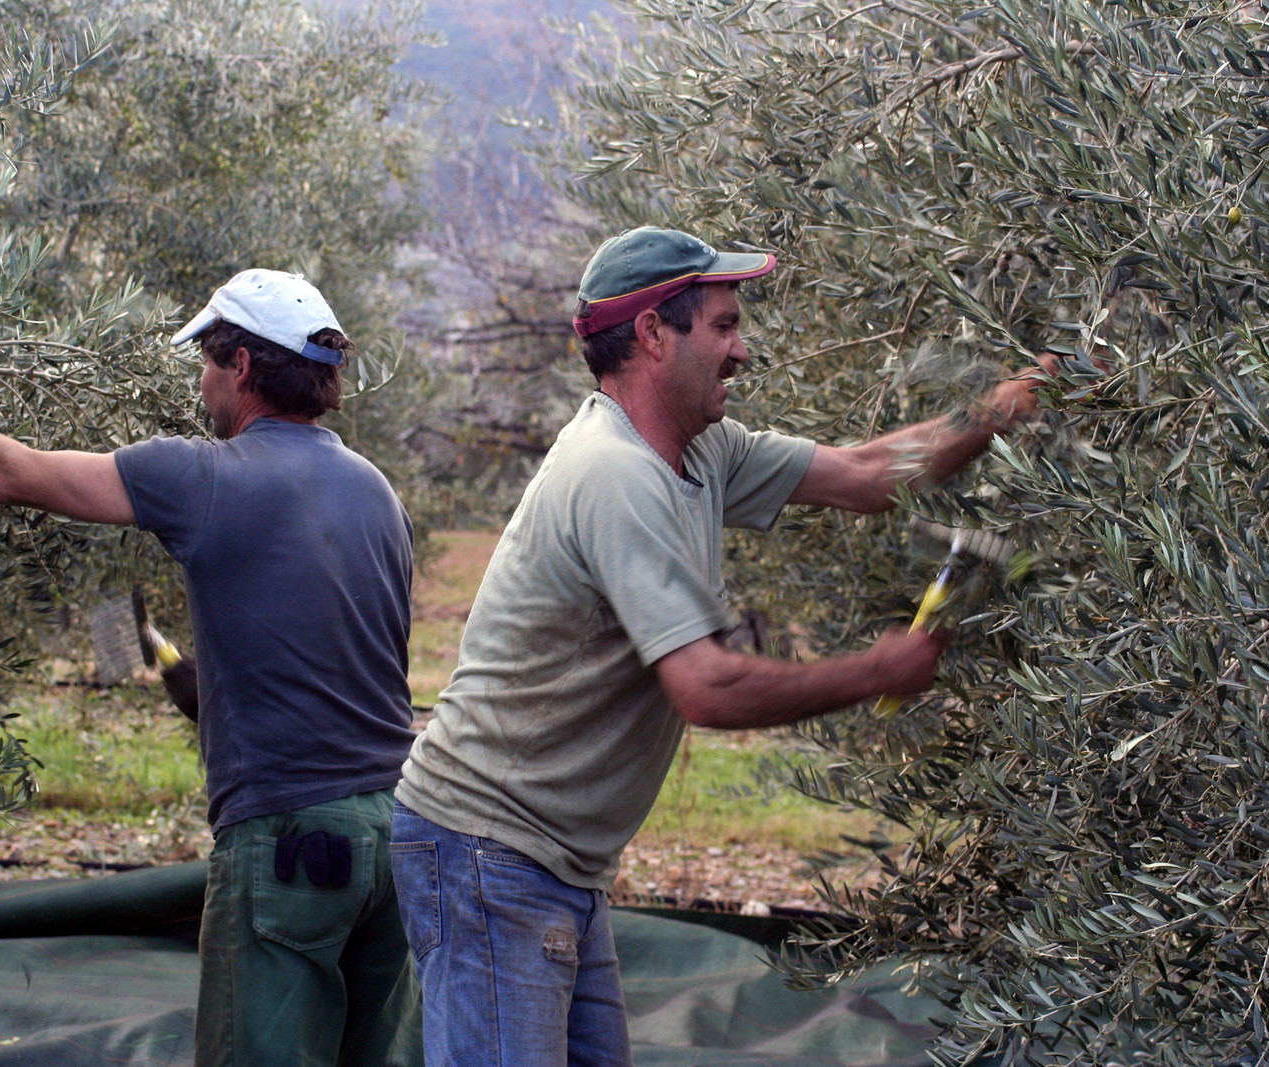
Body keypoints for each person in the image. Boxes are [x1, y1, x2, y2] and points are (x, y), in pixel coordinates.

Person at [389, 226, 1051, 1067]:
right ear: (654, 334)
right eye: (725, 325)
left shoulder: (701, 450)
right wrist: (875, 671)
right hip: (488, 850)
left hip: (552, 858)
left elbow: (869, 473)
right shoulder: (614, 474)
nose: (744, 350)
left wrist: (999, 409)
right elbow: (705, 687)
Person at [0, 269, 421, 1067]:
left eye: (206, 360)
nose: (201, 383)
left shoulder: (199, 475)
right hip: (393, 834)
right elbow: (348, 652)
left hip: (287, 843)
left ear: (241, 367)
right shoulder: (379, 494)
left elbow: (5, 472)